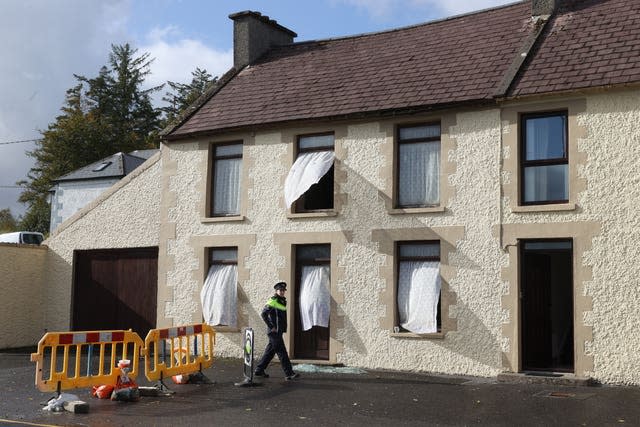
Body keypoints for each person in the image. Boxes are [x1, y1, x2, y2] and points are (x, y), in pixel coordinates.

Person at [254, 282, 300, 380]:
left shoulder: (282, 301)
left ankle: (259, 370)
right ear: (276, 291)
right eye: (280, 290)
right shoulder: (273, 300)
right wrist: (271, 326)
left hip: (279, 331)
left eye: (283, 290)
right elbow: (263, 314)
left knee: (270, 352)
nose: (282, 292)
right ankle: (289, 373)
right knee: (282, 352)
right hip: (274, 332)